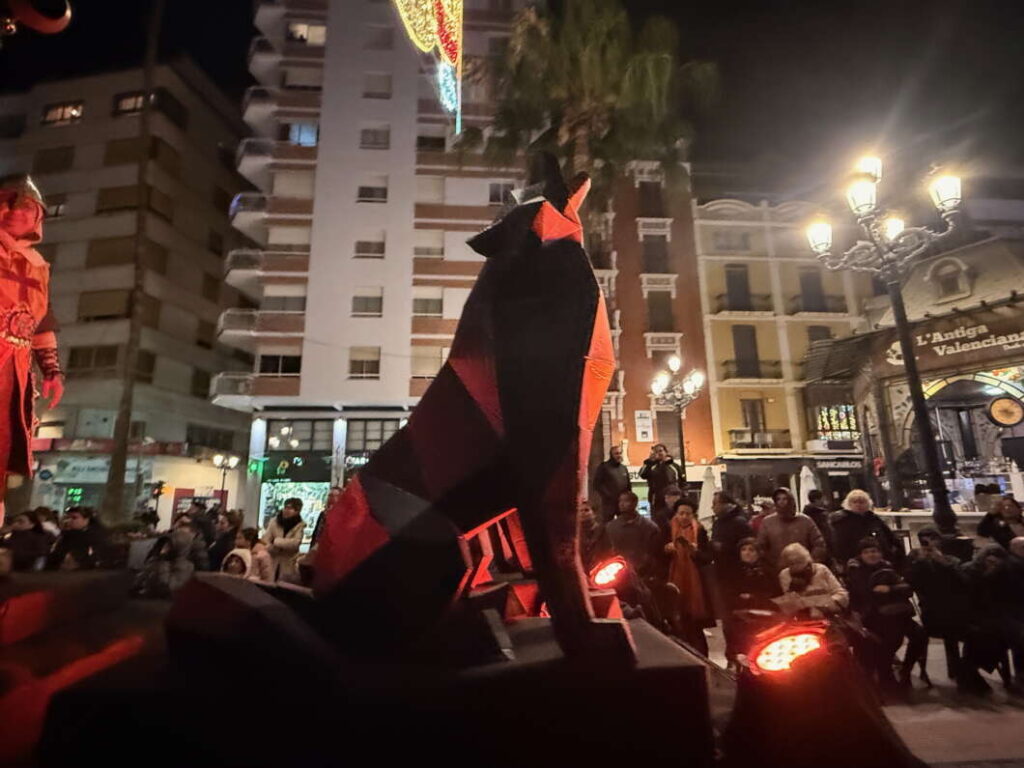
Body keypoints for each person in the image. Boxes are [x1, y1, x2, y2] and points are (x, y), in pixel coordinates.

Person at [0, 175, 63, 527]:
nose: (22, 213)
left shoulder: (38, 265)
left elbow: (42, 322)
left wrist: (52, 371)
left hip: (17, 364)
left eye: (30, 208)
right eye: (14, 204)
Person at [845, 538, 928, 694]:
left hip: (896, 613)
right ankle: (885, 672)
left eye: (875, 551)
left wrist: (889, 589)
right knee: (891, 635)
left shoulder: (887, 567)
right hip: (870, 615)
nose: (872, 555)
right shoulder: (856, 570)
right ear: (861, 555)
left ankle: (906, 670)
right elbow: (865, 593)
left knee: (920, 635)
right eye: (867, 552)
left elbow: (908, 590)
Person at [906, 527, 972, 685]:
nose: (929, 544)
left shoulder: (951, 559)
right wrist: (920, 562)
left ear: (939, 541)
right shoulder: (916, 561)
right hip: (932, 612)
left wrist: (943, 562)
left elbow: (964, 583)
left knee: (975, 631)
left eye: (932, 539)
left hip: (955, 610)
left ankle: (964, 670)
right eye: (924, 540)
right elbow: (910, 584)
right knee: (947, 626)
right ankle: (960, 672)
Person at [663, 498, 714, 654]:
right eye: (681, 513)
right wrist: (666, 549)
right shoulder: (666, 529)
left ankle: (701, 656)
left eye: (688, 513)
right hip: (672, 580)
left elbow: (707, 557)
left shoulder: (700, 530)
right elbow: (656, 555)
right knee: (676, 623)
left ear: (693, 515)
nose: (684, 517)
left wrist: (695, 551)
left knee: (694, 626)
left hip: (695, 585)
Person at [830, 489, 904, 572]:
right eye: (855, 502)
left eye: (861, 502)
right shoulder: (842, 521)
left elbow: (890, 537)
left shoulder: (873, 518)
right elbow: (839, 545)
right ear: (849, 504)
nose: (858, 505)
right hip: (854, 562)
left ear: (867, 503)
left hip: (878, 559)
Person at [756, 487, 826, 571]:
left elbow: (819, 544)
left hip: (803, 571)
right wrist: (771, 564)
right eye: (778, 499)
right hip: (776, 570)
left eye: (784, 498)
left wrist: (809, 562)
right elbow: (761, 546)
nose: (781, 501)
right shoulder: (767, 522)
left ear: (790, 500)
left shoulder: (805, 520)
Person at [776, 542, 848, 619]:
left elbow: (842, 594)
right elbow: (790, 603)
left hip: (828, 617)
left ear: (807, 559)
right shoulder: (785, 575)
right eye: (791, 563)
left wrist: (824, 604)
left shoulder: (821, 570)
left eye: (799, 561)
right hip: (802, 619)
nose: (795, 566)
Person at [604, 490, 662, 580]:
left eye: (626, 501)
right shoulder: (611, 526)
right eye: (620, 501)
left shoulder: (649, 527)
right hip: (616, 571)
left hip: (642, 573)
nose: (622, 504)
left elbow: (654, 552)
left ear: (634, 503)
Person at [264, 497, 306, 581]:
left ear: (297, 511)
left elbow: (295, 543)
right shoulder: (274, 522)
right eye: (285, 507)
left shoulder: (300, 525)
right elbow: (265, 540)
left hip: (288, 563)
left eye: (290, 508)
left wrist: (276, 541)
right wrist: (271, 547)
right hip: (272, 560)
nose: (286, 510)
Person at [593, 446, 632, 523]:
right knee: (607, 525)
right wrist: (608, 495)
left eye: (620, 453)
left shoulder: (623, 468)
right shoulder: (604, 467)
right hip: (609, 504)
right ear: (611, 455)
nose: (619, 455)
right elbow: (597, 484)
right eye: (616, 453)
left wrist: (629, 498)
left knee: (624, 524)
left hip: (622, 504)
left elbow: (628, 485)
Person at [638, 443, 682, 512]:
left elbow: (682, 481)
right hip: (656, 500)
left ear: (666, 452)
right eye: (656, 451)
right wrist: (649, 462)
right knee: (656, 520)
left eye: (660, 451)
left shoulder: (674, 466)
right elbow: (642, 474)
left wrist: (682, 495)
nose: (658, 453)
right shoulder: (651, 466)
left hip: (672, 499)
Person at [803, 489, 835, 564]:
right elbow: (827, 533)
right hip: (823, 548)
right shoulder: (821, 515)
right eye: (823, 498)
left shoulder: (804, 514)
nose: (825, 500)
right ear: (817, 500)